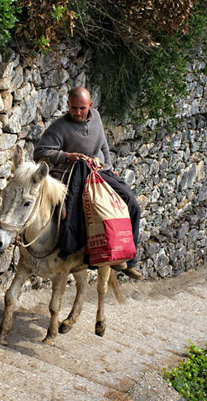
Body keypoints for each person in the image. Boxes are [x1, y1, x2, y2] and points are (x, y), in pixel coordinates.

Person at [34, 86, 142, 280]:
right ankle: (79, 254)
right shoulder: (59, 127)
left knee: (131, 202)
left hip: (98, 170)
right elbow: (40, 153)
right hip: (70, 173)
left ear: (90, 105)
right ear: (67, 105)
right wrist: (67, 156)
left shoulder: (97, 118)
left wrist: (108, 166)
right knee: (73, 211)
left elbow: (103, 145)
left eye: (82, 108)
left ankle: (128, 261)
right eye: (73, 108)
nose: (77, 112)